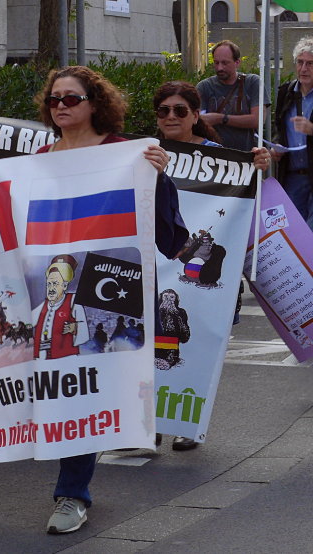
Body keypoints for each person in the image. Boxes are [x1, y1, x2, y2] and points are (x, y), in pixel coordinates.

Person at [0, 65, 189, 535]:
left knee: (82, 391)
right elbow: (2, 216)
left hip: (107, 296)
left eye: (71, 98)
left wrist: (158, 179)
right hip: (46, 291)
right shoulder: (38, 159)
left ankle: (72, 494)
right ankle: (73, 483)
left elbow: (170, 240)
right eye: (54, 99)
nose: (60, 106)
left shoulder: (128, 155)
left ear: (94, 104)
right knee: (58, 390)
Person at [154, 80, 270, 451]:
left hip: (199, 269)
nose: (171, 117)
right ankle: (152, 420)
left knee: (201, 341)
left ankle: (189, 422)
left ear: (195, 115)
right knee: (154, 343)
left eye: (180, 111)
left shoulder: (219, 156)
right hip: (157, 264)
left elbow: (248, 192)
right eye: (163, 111)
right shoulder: (146, 152)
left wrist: (259, 166)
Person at [197, 40, 269, 152]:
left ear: (237, 62)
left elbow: (257, 120)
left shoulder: (252, 83)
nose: (220, 68)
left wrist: (220, 118)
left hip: (246, 155)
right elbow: (196, 121)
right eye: (216, 63)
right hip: (213, 156)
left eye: (225, 63)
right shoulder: (204, 87)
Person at [272, 36, 313, 229]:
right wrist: (276, 147)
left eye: (310, 64)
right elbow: (279, 128)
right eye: (300, 62)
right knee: (295, 231)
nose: (304, 69)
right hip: (292, 175)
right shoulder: (286, 92)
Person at [33, 255, 89, 360]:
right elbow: (29, 320)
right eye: (49, 284)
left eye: (55, 284)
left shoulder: (73, 301)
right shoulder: (43, 305)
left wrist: (75, 328)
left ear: (64, 286)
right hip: (42, 356)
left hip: (66, 358)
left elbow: (84, 328)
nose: (51, 288)